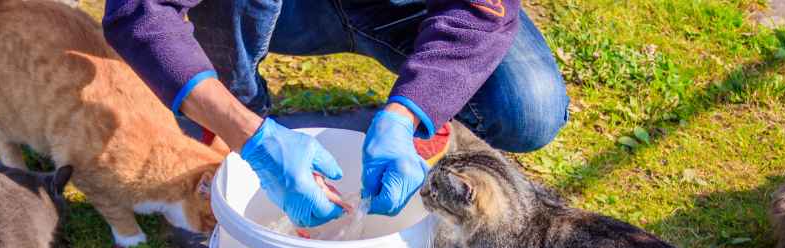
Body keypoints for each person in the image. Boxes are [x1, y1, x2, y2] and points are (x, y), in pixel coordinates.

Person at [103, 0, 569, 227]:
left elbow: (479, 12)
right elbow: (141, 11)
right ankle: (230, 108)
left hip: (402, 8)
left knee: (528, 108)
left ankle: (428, 96)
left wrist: (409, 112)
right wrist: (250, 136)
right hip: (291, 10)